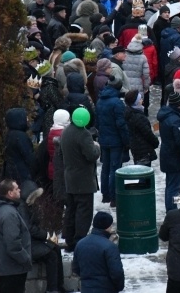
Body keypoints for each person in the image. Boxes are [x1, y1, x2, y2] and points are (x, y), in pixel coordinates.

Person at [61, 107, 101, 251]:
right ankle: (80, 240)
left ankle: (69, 238)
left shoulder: (66, 132)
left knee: (71, 210)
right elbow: (91, 155)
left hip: (70, 178)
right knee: (84, 212)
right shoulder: (84, 134)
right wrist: (97, 146)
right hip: (83, 180)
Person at [0, 179, 32, 293]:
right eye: (16, 189)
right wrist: (26, 259)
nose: (20, 190)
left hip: (3, 267)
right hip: (12, 268)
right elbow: (13, 244)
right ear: (10, 193)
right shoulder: (9, 213)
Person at [95, 76, 129, 206]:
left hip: (104, 139)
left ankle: (105, 196)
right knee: (115, 169)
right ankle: (114, 197)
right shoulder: (117, 103)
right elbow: (121, 124)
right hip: (116, 141)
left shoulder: (100, 100)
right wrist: (126, 141)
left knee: (105, 168)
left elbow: (97, 123)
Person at [72, 212, 125, 293]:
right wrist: (118, 287)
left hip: (86, 289)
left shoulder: (80, 244)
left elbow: (76, 268)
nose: (112, 228)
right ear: (106, 227)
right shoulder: (110, 247)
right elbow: (117, 273)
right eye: (111, 225)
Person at [158, 92, 180, 212]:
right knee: (175, 187)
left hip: (167, 155)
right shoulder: (175, 120)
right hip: (175, 158)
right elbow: (179, 142)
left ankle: (171, 208)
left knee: (170, 185)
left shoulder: (166, 115)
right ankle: (173, 210)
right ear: (179, 104)